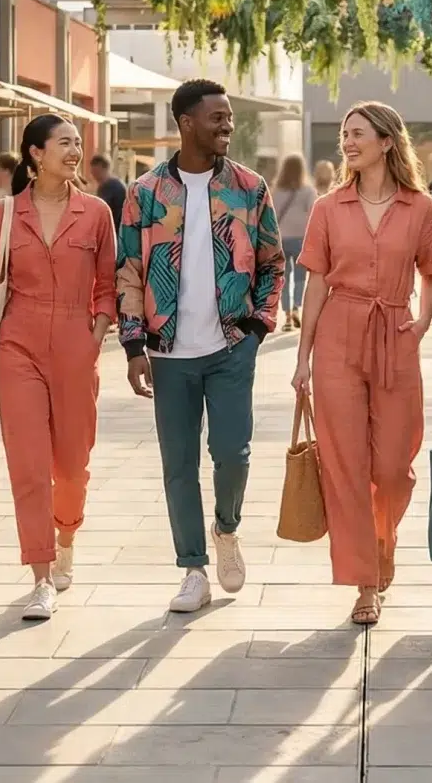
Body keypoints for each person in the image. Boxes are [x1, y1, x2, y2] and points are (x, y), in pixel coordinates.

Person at [117, 79, 286, 614]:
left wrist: (258, 326)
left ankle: (227, 528)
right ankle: (192, 569)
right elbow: (127, 271)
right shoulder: (145, 193)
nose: (227, 126)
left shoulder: (249, 187)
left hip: (230, 346)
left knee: (233, 454)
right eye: (217, 117)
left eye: (229, 117)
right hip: (168, 354)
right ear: (186, 122)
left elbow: (272, 261)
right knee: (178, 464)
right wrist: (132, 345)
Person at [290, 102, 432, 626]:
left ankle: (385, 540)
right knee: (345, 466)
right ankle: (364, 581)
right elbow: (315, 281)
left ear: (386, 141)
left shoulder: (421, 208)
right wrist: (303, 357)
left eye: (358, 134)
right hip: (337, 337)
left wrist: (424, 322)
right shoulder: (329, 208)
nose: (348, 143)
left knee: (393, 467)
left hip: (395, 333)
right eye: (344, 135)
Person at [0, 116, 115, 621]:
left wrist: (93, 338)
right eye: (65, 143)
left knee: (71, 467)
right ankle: (41, 576)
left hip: (76, 343)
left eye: (78, 143)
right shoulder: (6, 215)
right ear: (35, 153)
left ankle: (66, 532)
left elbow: (107, 287)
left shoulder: (95, 213)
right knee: (28, 467)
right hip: (18, 345)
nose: (75, 151)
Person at [271, 155, 318, 331]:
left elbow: (271, 214)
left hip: (281, 240)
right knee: (299, 277)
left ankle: (288, 316)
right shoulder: (308, 191)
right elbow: (313, 214)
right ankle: (297, 307)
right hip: (301, 239)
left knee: (283, 278)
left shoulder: (276, 191)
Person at [90, 155, 126, 225]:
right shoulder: (109, 184)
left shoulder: (111, 185)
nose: (93, 175)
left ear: (104, 169)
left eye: (96, 172)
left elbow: (100, 209)